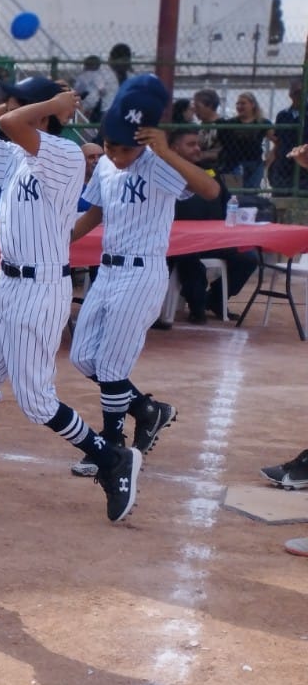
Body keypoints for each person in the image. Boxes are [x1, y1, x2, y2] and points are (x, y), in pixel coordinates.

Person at [0, 78, 141, 522]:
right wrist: (12, 108)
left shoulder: (65, 153)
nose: (5, 106)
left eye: (14, 100)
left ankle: (110, 458)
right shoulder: (15, 153)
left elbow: (14, 123)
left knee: (36, 401)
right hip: (5, 284)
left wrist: (49, 105)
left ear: (39, 113)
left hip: (41, 287)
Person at [69, 75, 219, 478]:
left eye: (125, 148)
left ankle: (112, 446)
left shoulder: (158, 163)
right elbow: (95, 212)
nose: (116, 154)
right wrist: (62, 240)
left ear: (145, 140)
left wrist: (165, 150)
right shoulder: (104, 164)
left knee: (111, 366)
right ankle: (148, 410)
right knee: (83, 357)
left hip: (141, 272)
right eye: (110, 145)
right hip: (107, 271)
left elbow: (209, 190)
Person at [166, 130, 257, 324]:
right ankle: (197, 307)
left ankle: (215, 300)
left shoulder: (209, 173)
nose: (197, 149)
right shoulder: (163, 175)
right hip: (178, 242)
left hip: (213, 240)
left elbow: (227, 204)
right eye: (191, 144)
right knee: (189, 261)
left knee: (248, 258)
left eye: (198, 144)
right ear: (174, 149)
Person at [218, 91, 267, 188]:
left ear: (252, 105)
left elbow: (276, 140)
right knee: (234, 192)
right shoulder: (231, 123)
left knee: (252, 192)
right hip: (234, 164)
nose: (239, 106)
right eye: (238, 104)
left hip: (255, 164)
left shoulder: (262, 122)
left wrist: (268, 160)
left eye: (243, 103)